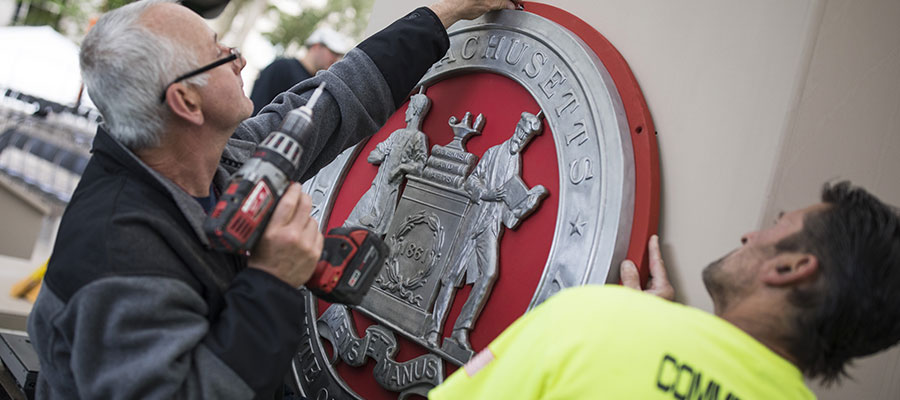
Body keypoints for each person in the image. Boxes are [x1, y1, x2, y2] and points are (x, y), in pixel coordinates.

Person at [26, 0, 518, 398]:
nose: (239, 57)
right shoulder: (120, 251)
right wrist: (272, 278)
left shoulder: (217, 162)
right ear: (186, 102)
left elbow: (335, 99)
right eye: (219, 51)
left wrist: (443, 13)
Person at [429, 181, 900, 399]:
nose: (749, 237)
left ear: (792, 267)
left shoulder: (592, 321)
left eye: (776, 228)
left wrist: (629, 327)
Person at [426, 112, 548, 354]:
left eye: (527, 138)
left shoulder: (516, 163)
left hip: (491, 228)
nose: (522, 139)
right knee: (452, 275)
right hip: (474, 222)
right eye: (522, 133)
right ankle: (433, 329)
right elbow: (471, 181)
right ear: (516, 128)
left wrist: (529, 200)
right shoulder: (493, 153)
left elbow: (511, 214)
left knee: (489, 273)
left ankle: (461, 328)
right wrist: (489, 193)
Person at [343, 90, 431, 236]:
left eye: (409, 108)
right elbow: (373, 157)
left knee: (368, 236)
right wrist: (382, 153)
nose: (406, 112)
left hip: (388, 194)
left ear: (415, 110)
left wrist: (402, 167)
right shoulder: (396, 134)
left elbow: (420, 166)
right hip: (376, 187)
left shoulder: (418, 137)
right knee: (349, 226)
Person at [249, 27, 351, 116]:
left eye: (339, 56)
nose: (335, 59)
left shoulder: (319, 84)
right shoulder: (282, 67)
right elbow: (256, 104)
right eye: (333, 53)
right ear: (316, 46)